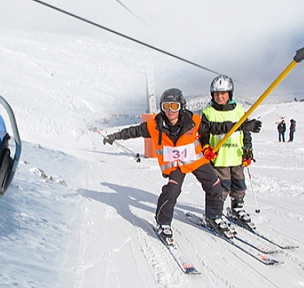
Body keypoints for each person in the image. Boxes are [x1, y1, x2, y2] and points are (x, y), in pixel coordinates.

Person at [102, 88, 262, 243]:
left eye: (174, 106)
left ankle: (213, 216)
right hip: (176, 165)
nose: (170, 111)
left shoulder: (193, 121)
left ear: (182, 107)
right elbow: (133, 131)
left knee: (215, 187)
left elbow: (217, 128)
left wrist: (244, 126)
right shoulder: (154, 125)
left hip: (195, 160)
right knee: (171, 191)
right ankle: (163, 222)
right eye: (166, 106)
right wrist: (114, 136)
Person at [199, 75, 259, 226]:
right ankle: (213, 213)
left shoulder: (239, 111)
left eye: (223, 93)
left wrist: (248, 150)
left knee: (239, 183)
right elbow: (203, 134)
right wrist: (206, 147)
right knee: (221, 186)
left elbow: (246, 133)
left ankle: (236, 208)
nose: (220, 97)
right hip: (220, 157)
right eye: (217, 94)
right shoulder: (208, 112)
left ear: (229, 94)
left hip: (236, 155)